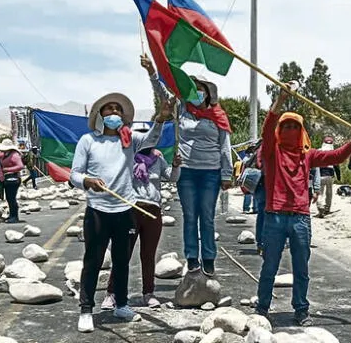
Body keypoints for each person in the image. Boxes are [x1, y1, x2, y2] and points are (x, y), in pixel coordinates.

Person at [255, 82, 351, 325]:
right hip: (274, 216)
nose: (290, 129)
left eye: (295, 126)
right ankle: (261, 308)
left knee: (301, 269)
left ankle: (301, 309)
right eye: (286, 126)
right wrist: (280, 101)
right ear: (280, 129)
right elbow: (267, 128)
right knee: (269, 266)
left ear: (302, 130)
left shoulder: (308, 155)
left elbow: (336, 156)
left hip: (301, 218)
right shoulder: (272, 152)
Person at [70, 83, 172, 332]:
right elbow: (74, 174)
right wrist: (87, 181)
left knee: (121, 261)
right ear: (99, 115)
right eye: (109, 109)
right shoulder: (88, 141)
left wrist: (160, 118)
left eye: (117, 109)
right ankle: (86, 309)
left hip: (125, 209)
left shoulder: (131, 140)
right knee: (93, 259)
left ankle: (121, 304)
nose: (114, 112)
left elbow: (152, 140)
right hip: (97, 210)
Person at [142, 55, 233, 277]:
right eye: (194, 88)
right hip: (186, 172)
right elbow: (162, 95)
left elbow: (224, 146)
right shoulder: (182, 109)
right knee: (190, 216)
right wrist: (152, 72)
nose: (197, 92)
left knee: (207, 217)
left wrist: (227, 174)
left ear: (208, 92)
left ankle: (209, 258)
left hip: (211, 173)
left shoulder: (218, 116)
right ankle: (192, 258)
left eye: (201, 88)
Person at [101, 137, 182, 310]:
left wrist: (175, 165)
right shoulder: (126, 158)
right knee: (123, 254)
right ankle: (112, 293)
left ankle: (148, 293)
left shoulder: (158, 159)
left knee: (148, 255)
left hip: (152, 212)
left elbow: (172, 178)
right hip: (130, 211)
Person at [0, 139, 24, 223]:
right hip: (6, 179)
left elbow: (20, 166)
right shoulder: (4, 154)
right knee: (8, 198)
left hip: (14, 178)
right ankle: (11, 215)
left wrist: (7, 169)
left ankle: (15, 217)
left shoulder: (14, 155)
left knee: (12, 198)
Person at [316, 136, 341, 217]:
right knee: (329, 193)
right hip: (330, 175)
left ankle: (320, 207)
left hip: (320, 174)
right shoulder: (333, 152)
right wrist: (339, 176)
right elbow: (337, 166)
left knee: (320, 193)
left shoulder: (319, 151)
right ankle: (327, 208)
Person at [242, 147, 255, 214]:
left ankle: (246, 208)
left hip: (247, 176)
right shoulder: (254, 157)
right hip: (254, 175)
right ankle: (255, 209)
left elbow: (243, 169)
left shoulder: (245, 159)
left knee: (248, 193)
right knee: (253, 193)